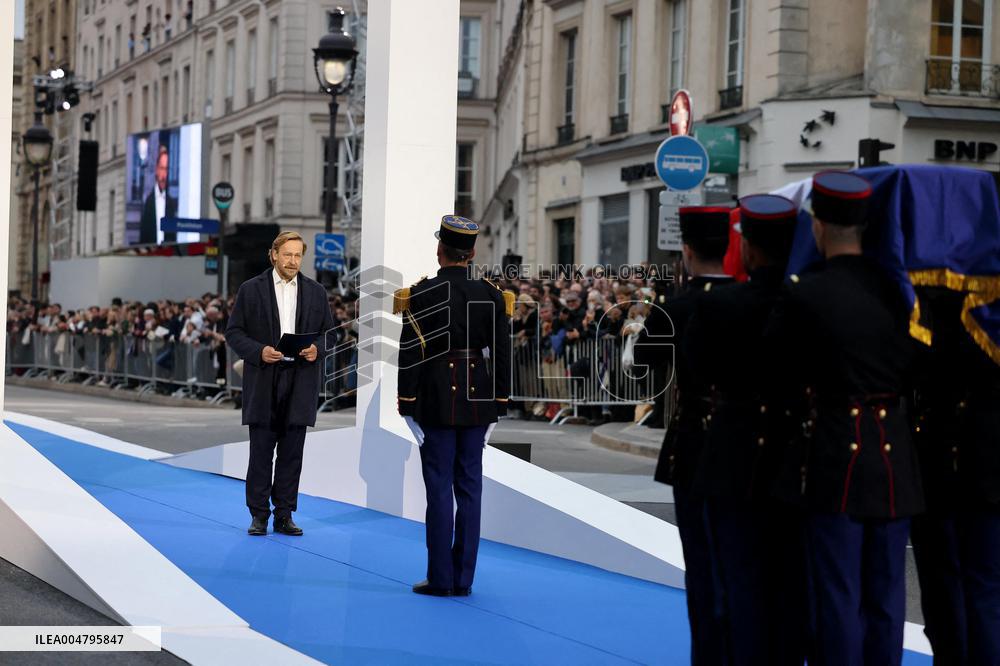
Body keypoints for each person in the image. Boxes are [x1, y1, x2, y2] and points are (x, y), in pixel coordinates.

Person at [765, 171, 923, 665]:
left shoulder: (804, 292)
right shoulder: (898, 292)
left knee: (837, 592)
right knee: (885, 594)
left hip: (834, 451)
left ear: (819, 228)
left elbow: (778, 371)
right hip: (894, 453)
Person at [684, 195, 804, 664]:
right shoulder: (805, 302)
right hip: (795, 456)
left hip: (732, 453)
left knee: (735, 581)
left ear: (748, 248)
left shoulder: (719, 306)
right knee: (791, 582)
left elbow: (700, 370)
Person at [632, 206, 734, 666]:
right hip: (747, 439)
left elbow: (640, 368)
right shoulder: (757, 301)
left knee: (700, 560)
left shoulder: (674, 307)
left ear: (687, 251)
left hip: (695, 435)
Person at [394, 215, 513, 597]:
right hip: (479, 394)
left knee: (439, 489)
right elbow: (503, 353)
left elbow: (410, 353)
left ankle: (440, 578)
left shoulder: (422, 293)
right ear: (472, 253)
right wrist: (500, 400)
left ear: (439, 250)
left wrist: (406, 403)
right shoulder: (492, 294)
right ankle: (463, 578)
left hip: (437, 396)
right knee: (471, 488)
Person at [910, 285, 1000, 665]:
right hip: (977, 451)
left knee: (955, 590)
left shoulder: (934, 288)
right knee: (980, 590)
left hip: (944, 447)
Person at [225, 231, 335, 537]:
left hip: (300, 379)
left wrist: (318, 349)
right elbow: (234, 332)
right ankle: (258, 514)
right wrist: (259, 352)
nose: (292, 261)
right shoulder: (251, 289)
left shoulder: (316, 292)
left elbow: (329, 333)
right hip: (264, 377)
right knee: (260, 452)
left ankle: (284, 514)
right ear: (273, 255)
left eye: (298, 255)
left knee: (291, 454)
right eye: (287, 254)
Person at [140, 144, 178, 245]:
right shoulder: (149, 202)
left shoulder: (170, 203)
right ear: (157, 169)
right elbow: (143, 236)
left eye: (166, 169)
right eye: (162, 168)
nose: (164, 175)